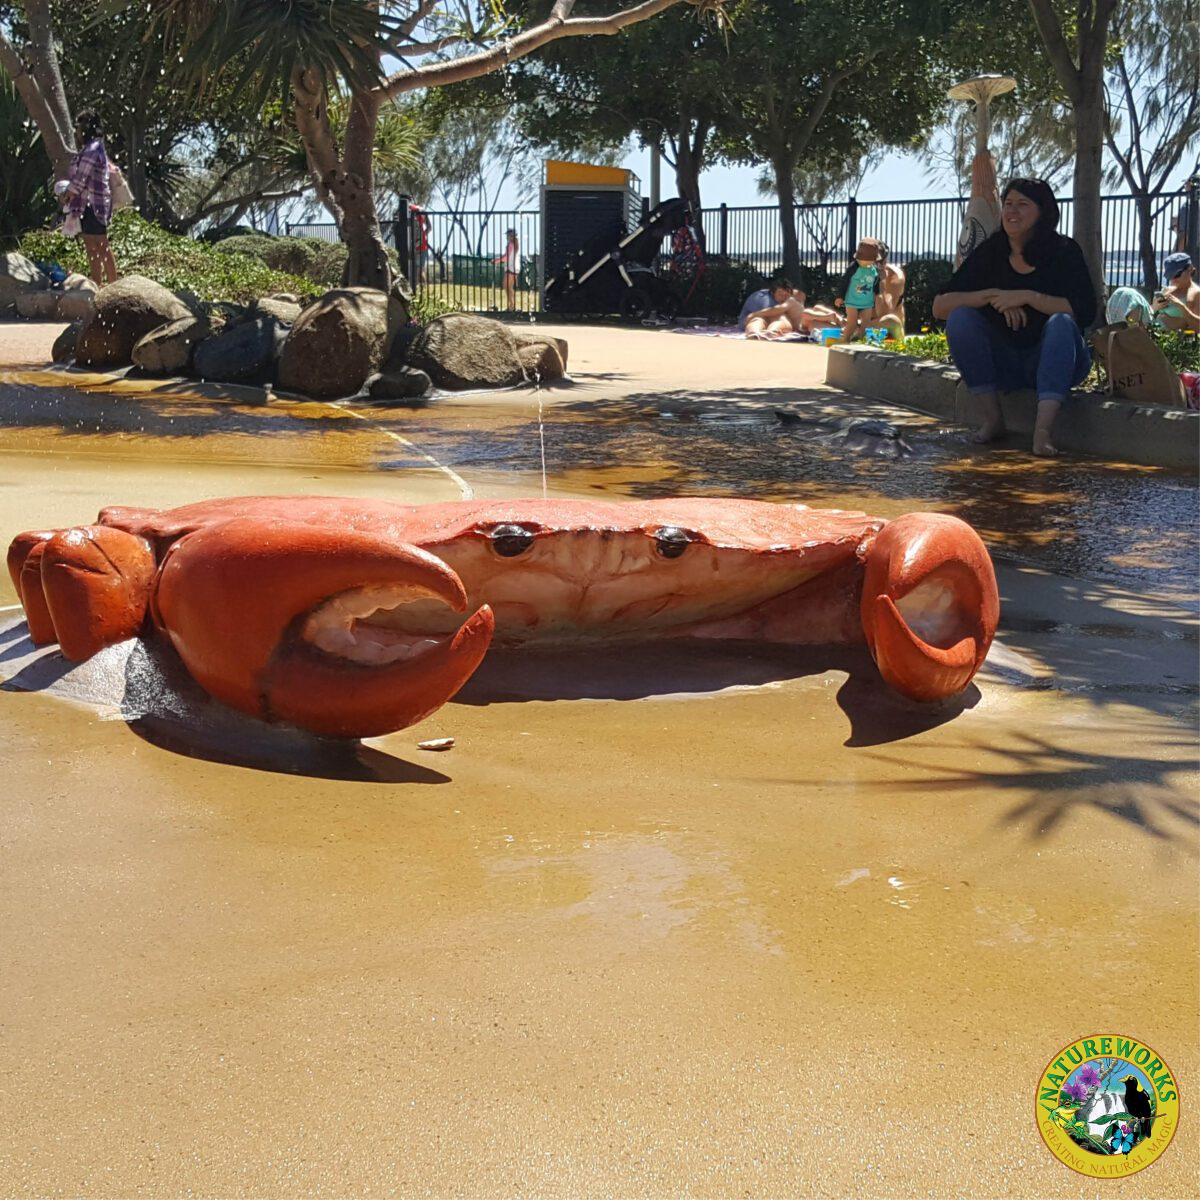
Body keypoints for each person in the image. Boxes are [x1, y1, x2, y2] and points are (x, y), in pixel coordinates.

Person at [933, 178, 1096, 457]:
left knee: (1060, 322)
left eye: (1023, 205)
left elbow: (1085, 311)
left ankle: (1042, 432)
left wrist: (1027, 296)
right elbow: (940, 306)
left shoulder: (1064, 251)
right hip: (1006, 362)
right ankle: (993, 420)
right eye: (1008, 204)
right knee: (961, 318)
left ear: (1043, 211)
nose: (1012, 211)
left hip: (1058, 359)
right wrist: (994, 296)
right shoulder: (991, 251)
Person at [63, 109, 118, 286]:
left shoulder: (93, 148)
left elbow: (81, 177)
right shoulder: (91, 148)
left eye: (79, 127)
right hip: (86, 204)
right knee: (90, 246)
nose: (77, 131)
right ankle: (97, 284)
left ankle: (114, 286)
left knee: (101, 245)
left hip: (94, 203)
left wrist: (68, 194)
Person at [740, 278, 841, 339]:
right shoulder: (764, 298)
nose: (783, 297)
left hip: (801, 323)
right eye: (780, 294)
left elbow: (800, 295)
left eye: (786, 294)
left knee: (790, 317)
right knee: (772, 318)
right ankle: (755, 333)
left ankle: (770, 332)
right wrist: (753, 315)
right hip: (751, 321)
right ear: (772, 292)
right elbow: (773, 312)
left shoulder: (790, 300)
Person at [866, 241, 905, 339]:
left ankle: (856, 333)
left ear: (883, 262)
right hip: (865, 325)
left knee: (891, 321)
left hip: (886, 330)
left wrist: (880, 281)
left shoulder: (895, 276)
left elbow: (884, 313)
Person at [1152, 252, 1200, 333]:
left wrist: (1182, 307)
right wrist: (1154, 307)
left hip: (1174, 342)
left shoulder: (1196, 293)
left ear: (1189, 269)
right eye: (1170, 276)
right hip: (1154, 337)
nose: (1173, 279)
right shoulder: (1166, 290)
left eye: (1177, 275)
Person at [494, 228, 520, 311]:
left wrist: (496, 261)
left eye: (507, 235)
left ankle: (512, 306)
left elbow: (506, 257)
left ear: (511, 236)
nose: (506, 237)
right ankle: (512, 305)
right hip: (516, 268)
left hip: (510, 268)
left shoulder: (510, 245)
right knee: (509, 287)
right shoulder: (515, 244)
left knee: (506, 287)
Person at [410, 202, 431, 284]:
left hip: (412, 245)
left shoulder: (409, 209)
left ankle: (416, 288)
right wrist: (423, 235)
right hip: (423, 245)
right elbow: (429, 227)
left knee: (414, 269)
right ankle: (422, 289)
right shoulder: (422, 211)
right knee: (421, 269)